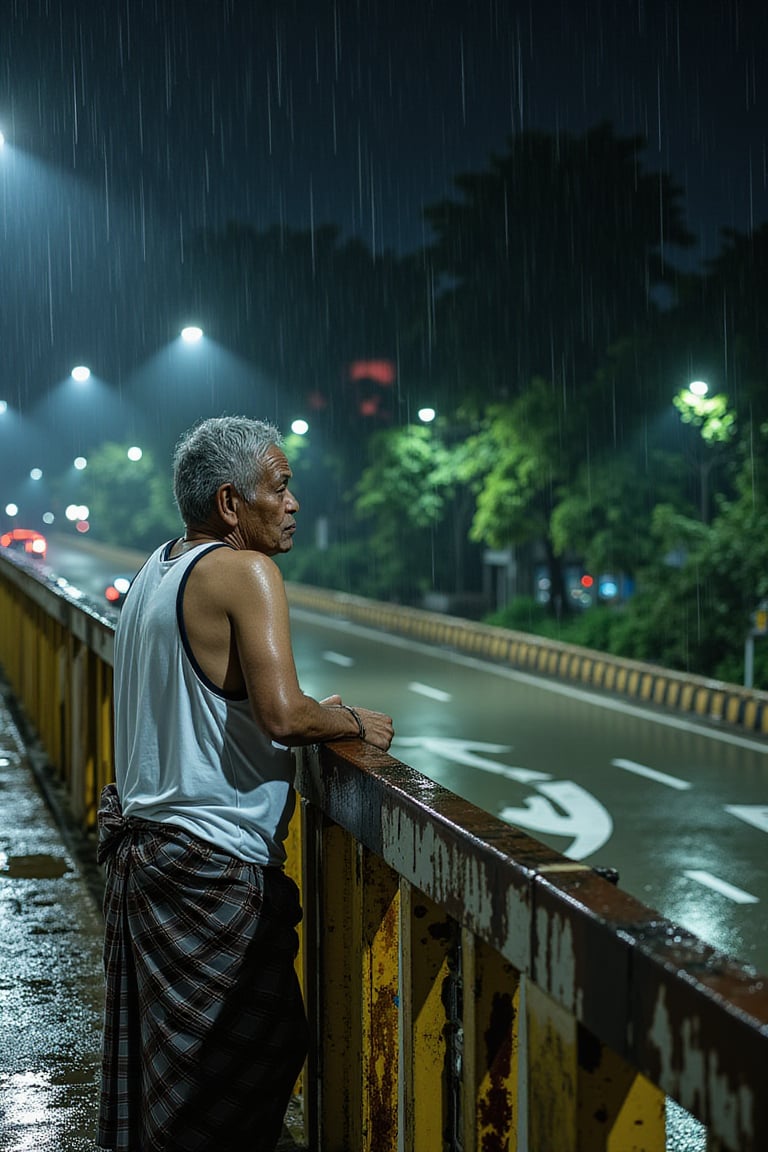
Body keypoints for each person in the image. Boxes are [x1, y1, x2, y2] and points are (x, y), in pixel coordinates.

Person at [97, 415, 394, 1152]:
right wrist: (351, 720)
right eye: (281, 488)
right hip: (210, 864)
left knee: (183, 1077)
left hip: (150, 864)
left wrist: (306, 714)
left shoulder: (153, 571)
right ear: (232, 504)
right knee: (240, 1070)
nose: (293, 504)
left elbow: (226, 704)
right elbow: (283, 716)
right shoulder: (246, 571)